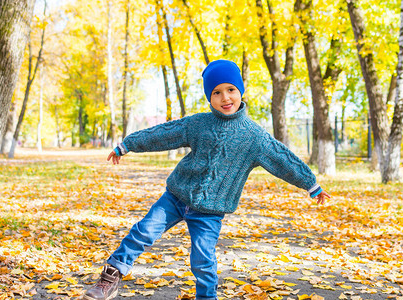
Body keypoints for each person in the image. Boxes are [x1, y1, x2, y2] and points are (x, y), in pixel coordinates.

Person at [82, 59, 330, 300]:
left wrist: (311, 184)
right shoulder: (198, 124)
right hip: (176, 197)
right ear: (209, 98)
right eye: (217, 92)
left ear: (240, 91)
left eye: (231, 90)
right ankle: (110, 278)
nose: (225, 98)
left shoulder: (254, 137)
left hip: (210, 212)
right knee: (143, 232)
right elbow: (163, 134)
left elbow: (282, 160)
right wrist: (128, 144)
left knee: (203, 262)